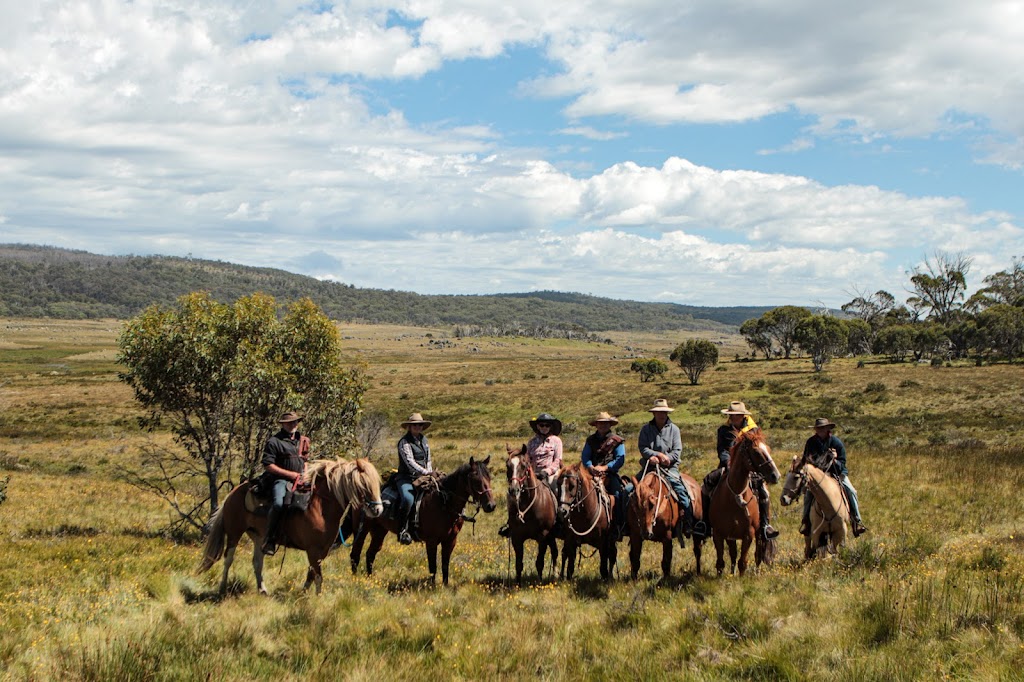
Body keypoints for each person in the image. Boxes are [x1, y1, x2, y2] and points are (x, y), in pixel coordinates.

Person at [637, 398, 704, 545]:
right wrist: (653, 455)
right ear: (654, 414)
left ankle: (688, 524)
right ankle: (626, 526)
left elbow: (677, 450)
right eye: (659, 412)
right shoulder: (645, 430)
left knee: (683, 494)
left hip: (669, 469)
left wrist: (667, 458)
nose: (661, 415)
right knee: (630, 491)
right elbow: (643, 447)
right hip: (649, 468)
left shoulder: (674, 429)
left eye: (664, 412)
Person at [714, 401, 779, 539]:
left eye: (736, 415)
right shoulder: (723, 430)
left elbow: (760, 450)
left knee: (764, 492)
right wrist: (728, 462)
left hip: (751, 468)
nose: (733, 417)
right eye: (731, 415)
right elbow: (722, 450)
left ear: (743, 416)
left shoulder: (753, 430)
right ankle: (706, 522)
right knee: (709, 485)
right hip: (728, 466)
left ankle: (765, 525)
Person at [499, 412, 564, 537]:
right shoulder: (532, 442)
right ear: (538, 427)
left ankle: (560, 521)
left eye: (547, 425)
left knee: (557, 488)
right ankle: (511, 522)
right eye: (541, 425)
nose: (544, 427)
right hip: (533, 474)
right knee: (512, 493)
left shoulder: (556, 441)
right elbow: (527, 460)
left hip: (550, 473)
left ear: (550, 427)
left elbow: (557, 461)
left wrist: (547, 472)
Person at [801, 418, 868, 537]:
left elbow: (842, 464)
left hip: (837, 474)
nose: (820, 430)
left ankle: (857, 520)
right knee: (808, 496)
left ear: (828, 429)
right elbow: (806, 459)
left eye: (822, 428)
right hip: (818, 477)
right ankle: (806, 522)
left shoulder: (836, 442)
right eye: (818, 428)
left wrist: (835, 460)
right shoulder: (811, 442)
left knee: (851, 491)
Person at [260, 411, 310, 556]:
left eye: (295, 422)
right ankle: (269, 539)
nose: (293, 424)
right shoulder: (274, 442)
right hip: (280, 480)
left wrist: (305, 475)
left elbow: (304, 461)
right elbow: (268, 465)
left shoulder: (303, 440)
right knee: (278, 504)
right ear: (283, 424)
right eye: (290, 422)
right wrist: (291, 475)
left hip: (301, 479)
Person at [581, 411, 627, 535]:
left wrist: (606, 467)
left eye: (605, 423)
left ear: (609, 425)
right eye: (600, 423)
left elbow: (620, 459)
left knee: (618, 494)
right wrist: (590, 467)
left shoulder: (617, 441)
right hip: (591, 474)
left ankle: (619, 524)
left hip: (609, 474)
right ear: (596, 425)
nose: (603, 426)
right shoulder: (590, 440)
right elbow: (585, 457)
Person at [395, 412, 434, 545]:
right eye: (415, 425)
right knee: (407, 498)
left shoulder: (424, 440)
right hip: (406, 478)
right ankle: (402, 530)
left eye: (420, 425)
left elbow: (428, 459)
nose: (418, 427)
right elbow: (409, 462)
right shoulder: (404, 442)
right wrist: (426, 472)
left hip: (424, 476)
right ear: (409, 427)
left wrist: (429, 471)